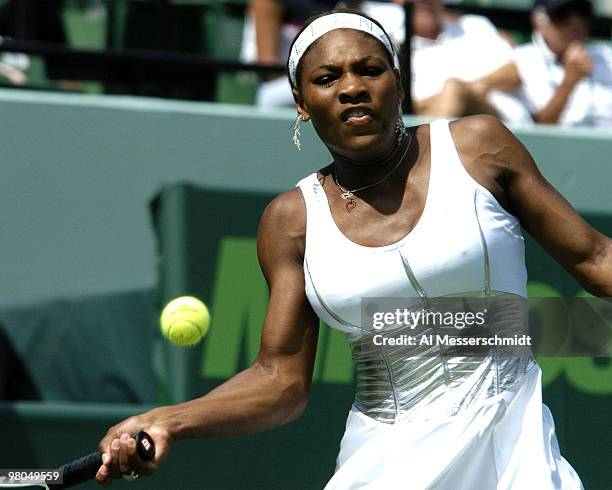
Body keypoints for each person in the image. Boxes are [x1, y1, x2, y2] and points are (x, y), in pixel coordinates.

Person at [95, 9, 611, 488]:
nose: (351, 89)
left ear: (398, 82)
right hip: (386, 466)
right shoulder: (290, 220)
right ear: (301, 102)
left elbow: (595, 259)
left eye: (369, 70)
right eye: (326, 79)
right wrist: (169, 420)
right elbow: (280, 380)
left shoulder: (479, 146)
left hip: (518, 464)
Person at [405, 0, 531, 123]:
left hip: (508, 125)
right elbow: (401, 105)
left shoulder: (474, 26)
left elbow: (513, 73)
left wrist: (467, 89)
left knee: (454, 89)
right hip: (432, 124)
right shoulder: (393, 45)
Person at [514, 0, 612, 127]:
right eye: (562, 15)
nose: (576, 23)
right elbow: (539, 129)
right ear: (539, 21)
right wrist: (570, 81)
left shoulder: (606, 55)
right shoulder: (522, 60)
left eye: (583, 13)